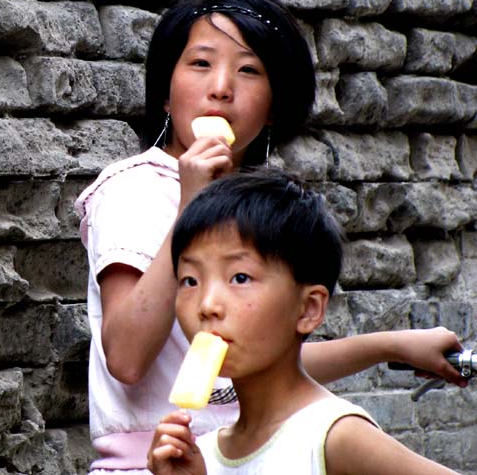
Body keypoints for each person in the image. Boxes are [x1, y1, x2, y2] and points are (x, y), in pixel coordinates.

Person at [75, 0, 465, 473]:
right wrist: (191, 201)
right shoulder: (134, 188)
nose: (221, 87)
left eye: (249, 70)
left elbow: (256, 360)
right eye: (200, 64)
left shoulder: (252, 203)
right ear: (166, 93)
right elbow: (128, 359)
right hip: (154, 461)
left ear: (274, 106)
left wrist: (388, 345)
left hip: (241, 457)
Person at [147, 169, 461, 475]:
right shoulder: (202, 454)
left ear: (308, 309)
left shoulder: (336, 437)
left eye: (239, 277)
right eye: (190, 281)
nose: (207, 305)